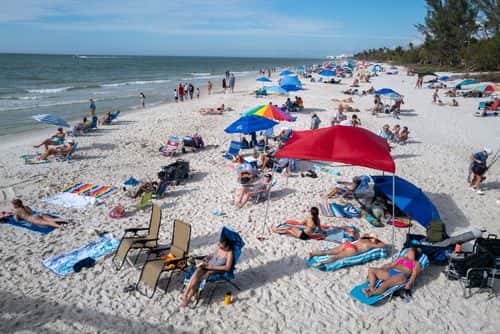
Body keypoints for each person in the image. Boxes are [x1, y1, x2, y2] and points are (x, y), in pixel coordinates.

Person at [181, 236, 234, 307]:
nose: (220, 248)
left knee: (199, 278)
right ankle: (185, 295)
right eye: (219, 246)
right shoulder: (218, 247)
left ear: (227, 247)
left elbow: (227, 268)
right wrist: (207, 258)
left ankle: (187, 298)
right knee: (197, 272)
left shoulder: (229, 253)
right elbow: (212, 255)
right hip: (207, 265)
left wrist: (212, 267)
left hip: (215, 269)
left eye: (222, 247)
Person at [306, 234, 385, 266]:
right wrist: (377, 241)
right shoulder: (371, 244)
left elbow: (365, 235)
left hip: (348, 244)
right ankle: (321, 263)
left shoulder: (363, 238)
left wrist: (370, 236)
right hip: (353, 249)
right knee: (336, 257)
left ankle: (312, 254)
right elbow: (382, 245)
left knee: (328, 252)